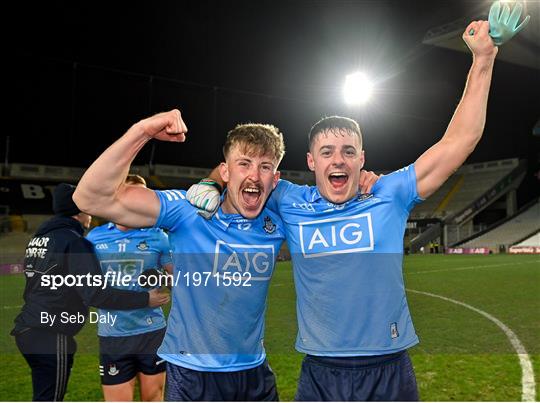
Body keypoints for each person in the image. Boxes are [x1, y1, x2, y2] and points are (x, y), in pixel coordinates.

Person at [187, 17, 506, 401]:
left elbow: (460, 140)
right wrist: (212, 182)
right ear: (311, 161)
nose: (338, 161)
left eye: (348, 152)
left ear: (361, 159)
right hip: (321, 373)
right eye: (327, 153)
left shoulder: (388, 193)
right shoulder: (289, 200)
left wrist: (483, 60)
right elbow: (243, 168)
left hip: (388, 368)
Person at [73, 116, 289, 401]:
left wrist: (368, 183)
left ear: (275, 179)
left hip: (254, 373)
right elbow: (90, 199)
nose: (254, 175)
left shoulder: (280, 220)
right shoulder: (187, 210)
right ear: (225, 171)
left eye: (265, 167)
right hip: (192, 375)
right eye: (244, 164)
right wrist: (142, 131)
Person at [11, 183, 170, 402]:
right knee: (50, 396)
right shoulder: (84, 240)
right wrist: (145, 298)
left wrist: (163, 278)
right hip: (70, 332)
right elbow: (95, 294)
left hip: (151, 333)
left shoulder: (43, 238)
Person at [86, 174, 173, 402]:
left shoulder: (158, 236)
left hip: (152, 332)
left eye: (143, 195)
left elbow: (178, 281)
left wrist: (163, 279)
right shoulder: (95, 237)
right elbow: (89, 287)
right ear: (118, 196)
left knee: (154, 398)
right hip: (113, 334)